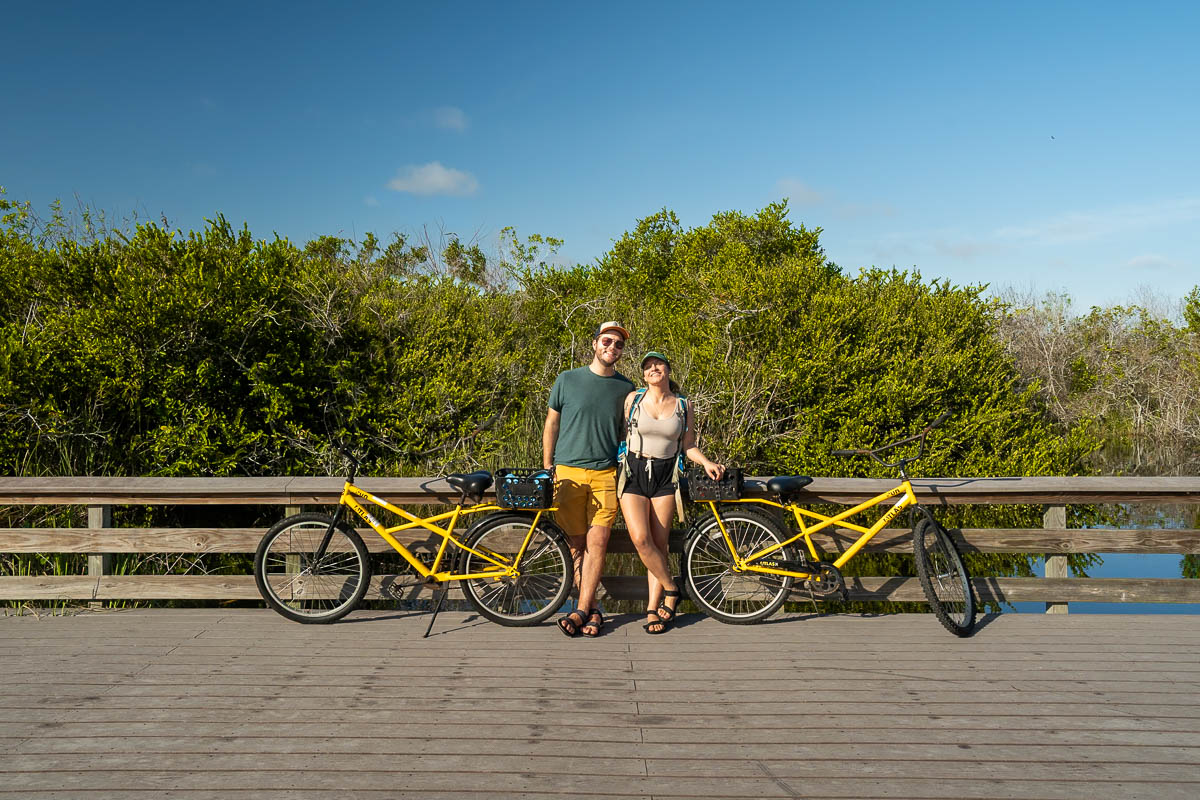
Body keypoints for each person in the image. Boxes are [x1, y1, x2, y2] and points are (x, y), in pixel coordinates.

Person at [619, 351, 724, 634]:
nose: (654, 369)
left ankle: (653, 610)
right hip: (633, 473)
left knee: (659, 544)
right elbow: (619, 435)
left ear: (668, 370)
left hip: (667, 475)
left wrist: (706, 462)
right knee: (641, 540)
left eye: (659, 365)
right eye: (649, 366)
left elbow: (688, 445)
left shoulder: (683, 405)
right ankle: (672, 588)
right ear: (643, 375)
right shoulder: (633, 400)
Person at [543, 321, 635, 638]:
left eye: (619, 344)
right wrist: (547, 465)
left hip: (606, 473)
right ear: (595, 343)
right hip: (566, 472)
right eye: (607, 340)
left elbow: (629, 432)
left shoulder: (627, 388)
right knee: (576, 545)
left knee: (598, 543)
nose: (613, 347)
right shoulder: (567, 380)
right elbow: (551, 424)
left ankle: (579, 611)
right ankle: (592, 609)